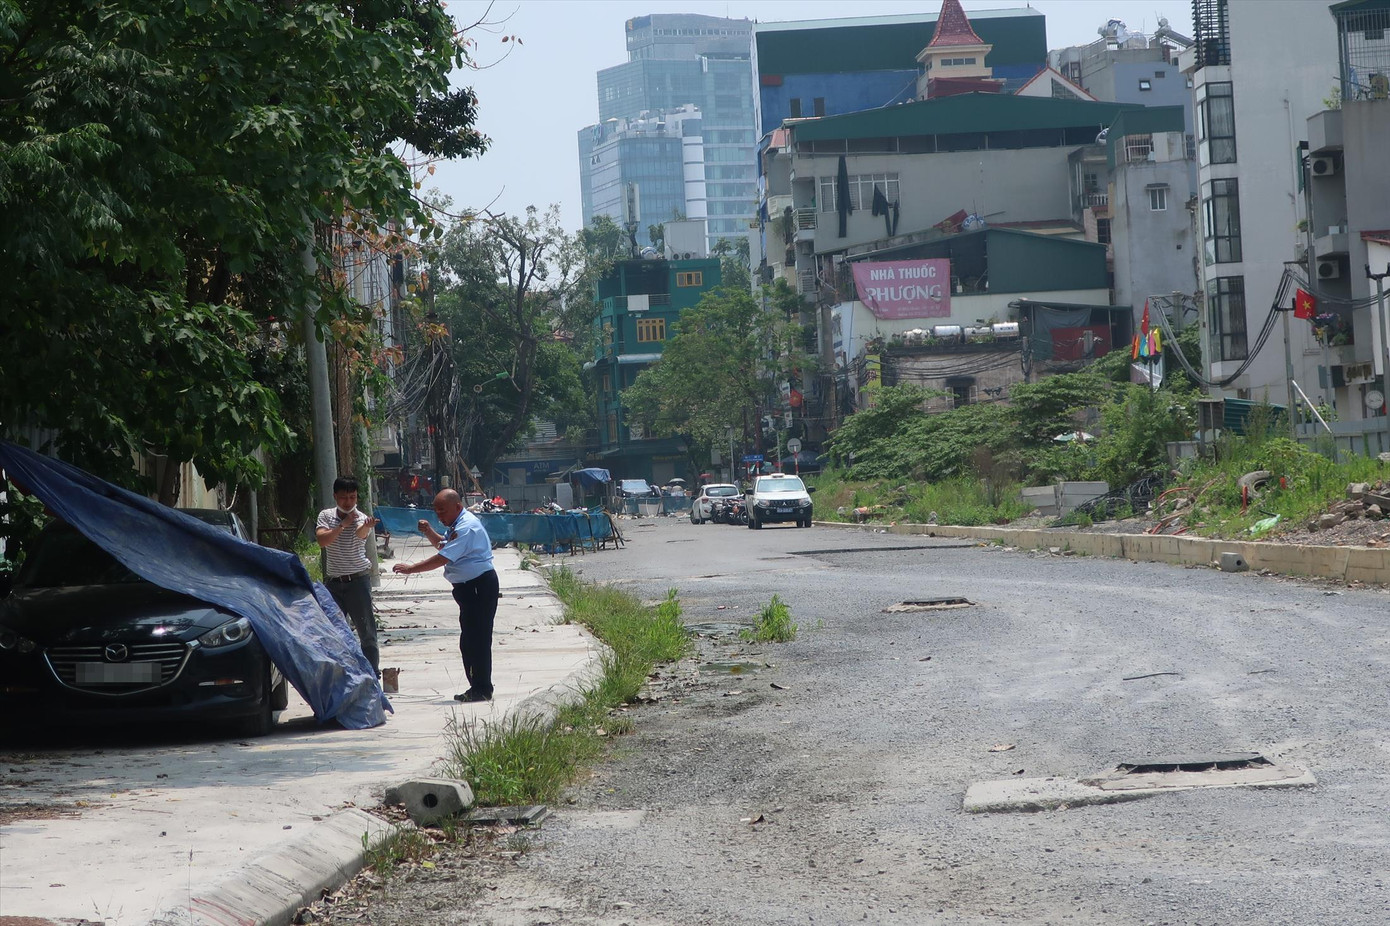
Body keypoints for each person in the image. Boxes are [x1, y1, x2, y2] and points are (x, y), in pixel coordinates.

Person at [392, 489, 499, 703]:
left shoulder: (466, 527)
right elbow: (445, 544)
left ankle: (482, 689)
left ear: (457, 507)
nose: (439, 516)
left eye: (443, 511)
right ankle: (476, 686)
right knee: (468, 640)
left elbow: (443, 557)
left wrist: (411, 569)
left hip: (478, 586)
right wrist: (430, 531)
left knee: (477, 640)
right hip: (467, 589)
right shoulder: (456, 526)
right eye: (436, 512)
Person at [315, 476, 381, 675]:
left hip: (358, 581)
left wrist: (366, 526)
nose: (349, 502)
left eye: (352, 497)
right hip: (334, 583)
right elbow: (322, 541)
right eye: (344, 498)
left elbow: (361, 534)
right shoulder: (326, 516)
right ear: (335, 496)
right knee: (331, 630)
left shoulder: (361, 518)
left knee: (366, 631)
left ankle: (371, 672)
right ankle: (339, 671)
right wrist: (342, 525)